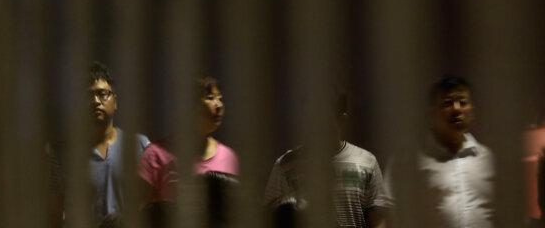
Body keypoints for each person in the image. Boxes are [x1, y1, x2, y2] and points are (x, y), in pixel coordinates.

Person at [264, 93, 391, 228]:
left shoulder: (366, 161)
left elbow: (378, 220)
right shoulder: (285, 164)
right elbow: (271, 217)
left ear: (342, 120)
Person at [49, 61, 150, 227]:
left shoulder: (139, 145)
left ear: (115, 101)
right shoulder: (63, 154)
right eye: (88, 96)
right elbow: (54, 214)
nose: (96, 101)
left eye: (103, 94)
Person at [138, 76, 239, 225]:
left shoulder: (229, 157)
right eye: (210, 98)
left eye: (220, 99)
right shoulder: (155, 155)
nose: (218, 105)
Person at [417, 75, 493, 228]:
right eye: (448, 103)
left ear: (472, 111)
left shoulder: (489, 159)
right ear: (433, 113)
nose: (457, 108)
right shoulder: (413, 162)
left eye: (463, 102)